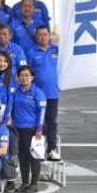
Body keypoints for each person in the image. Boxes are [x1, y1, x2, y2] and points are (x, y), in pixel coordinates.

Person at [9, 66, 46, 193]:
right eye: (22, 75)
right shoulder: (17, 91)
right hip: (17, 129)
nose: (24, 77)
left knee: (33, 157)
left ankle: (34, 184)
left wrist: (39, 128)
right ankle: (25, 183)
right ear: (18, 77)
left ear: (32, 77)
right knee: (22, 157)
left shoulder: (37, 92)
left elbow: (42, 111)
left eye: (27, 75)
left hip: (31, 129)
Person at [29, 25, 61, 161]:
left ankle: (51, 149)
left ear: (50, 36)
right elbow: (26, 72)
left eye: (45, 34)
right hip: (37, 95)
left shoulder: (57, 51)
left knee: (52, 122)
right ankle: (38, 149)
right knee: (39, 122)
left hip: (53, 93)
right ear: (36, 37)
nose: (43, 37)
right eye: (40, 35)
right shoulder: (31, 52)